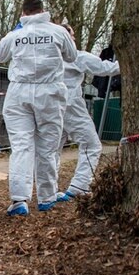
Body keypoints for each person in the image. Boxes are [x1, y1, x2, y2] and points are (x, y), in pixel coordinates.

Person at [0, 0, 77, 216]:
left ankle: (19, 199)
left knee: (21, 146)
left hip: (19, 93)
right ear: (43, 10)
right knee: (48, 147)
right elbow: (72, 55)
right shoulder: (58, 32)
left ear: (23, 12)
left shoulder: (16, 35)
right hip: (50, 92)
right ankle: (47, 197)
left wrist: (15, 33)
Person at [55, 24, 120, 201]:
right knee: (92, 145)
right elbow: (105, 68)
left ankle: (50, 190)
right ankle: (79, 186)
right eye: (72, 36)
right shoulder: (76, 57)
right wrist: (125, 62)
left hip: (51, 106)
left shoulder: (46, 58)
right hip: (71, 105)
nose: (74, 39)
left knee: (53, 148)